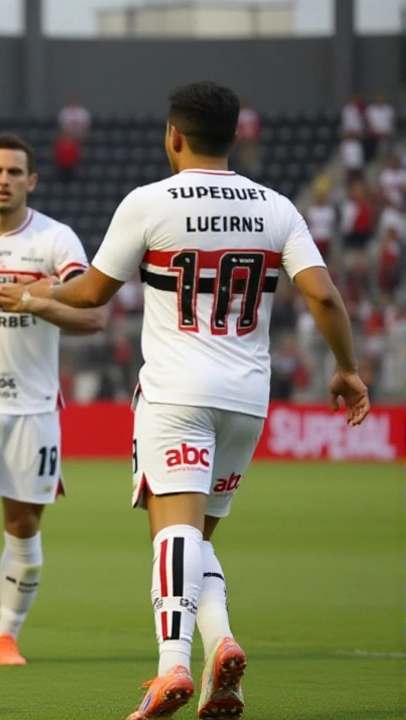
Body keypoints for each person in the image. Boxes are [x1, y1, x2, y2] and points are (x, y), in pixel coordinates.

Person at [22, 80, 369, 720]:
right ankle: (221, 647)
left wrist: (39, 296)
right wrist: (346, 368)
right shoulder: (276, 208)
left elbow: (93, 294)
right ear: (235, 136)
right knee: (197, 540)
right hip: (246, 399)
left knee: (171, 532)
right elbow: (324, 296)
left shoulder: (149, 202)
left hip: (177, 391)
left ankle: (170, 669)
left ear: (173, 136)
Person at [0, 133, 106, 665]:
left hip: (33, 406)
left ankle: (5, 634)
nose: (4, 180)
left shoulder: (57, 240)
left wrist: (35, 301)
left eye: (15, 173)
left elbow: (93, 316)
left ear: (31, 180)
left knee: (23, 524)